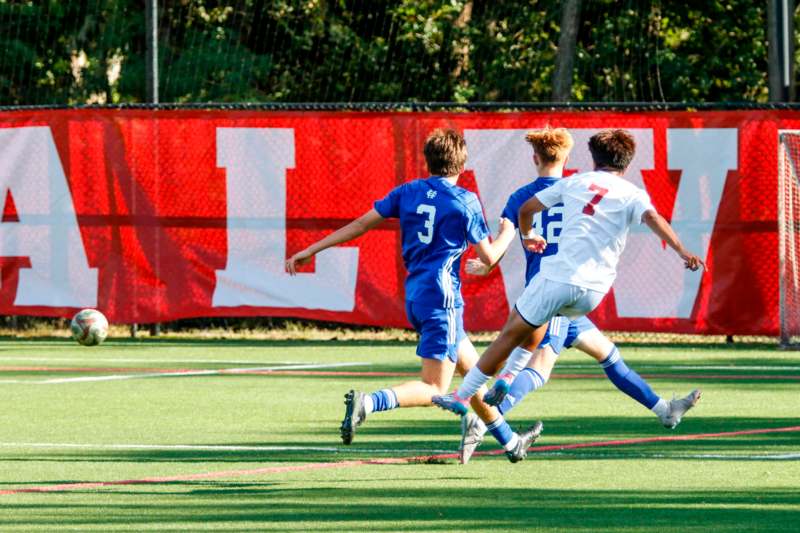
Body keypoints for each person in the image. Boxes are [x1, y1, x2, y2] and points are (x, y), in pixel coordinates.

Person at [432, 129, 706, 465]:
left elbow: (507, 235)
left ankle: (485, 410)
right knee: (590, 356)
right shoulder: (609, 189)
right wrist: (681, 250)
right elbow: (652, 217)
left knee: (539, 355)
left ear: (535, 157)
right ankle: (664, 410)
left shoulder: (545, 190)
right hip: (583, 290)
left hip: (551, 287)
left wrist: (493, 260)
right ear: (567, 156)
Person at [286, 128, 542, 462]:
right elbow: (490, 257)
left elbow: (361, 224)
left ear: (428, 160)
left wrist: (311, 250)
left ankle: (510, 442)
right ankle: (370, 403)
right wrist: (510, 230)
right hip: (443, 298)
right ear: (462, 163)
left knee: (474, 372)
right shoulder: (463, 200)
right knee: (435, 387)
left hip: (417, 295)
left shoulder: (408, 191)